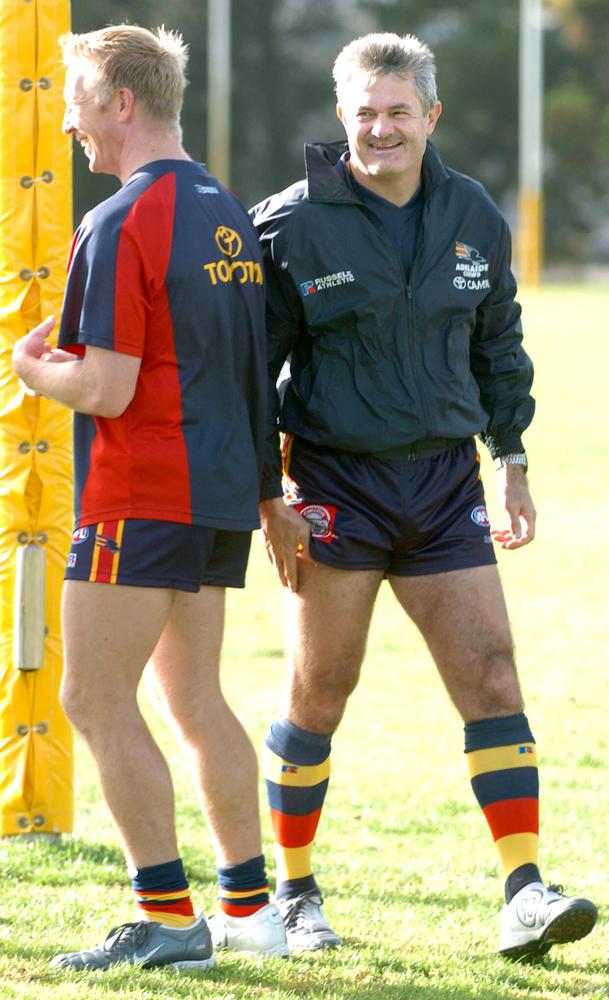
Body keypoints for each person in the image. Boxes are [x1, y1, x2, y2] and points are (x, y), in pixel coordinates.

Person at [251, 32, 597, 961]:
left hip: (447, 482)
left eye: (399, 110)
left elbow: (499, 343)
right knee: (321, 688)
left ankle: (525, 892)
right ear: (341, 117)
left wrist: (512, 456)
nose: (381, 128)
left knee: (491, 674)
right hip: (335, 484)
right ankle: (293, 895)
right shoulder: (287, 225)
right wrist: (266, 497)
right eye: (364, 111)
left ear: (430, 116)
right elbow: (252, 375)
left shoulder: (472, 213)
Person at [12, 24, 287, 971]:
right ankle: (252, 909)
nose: (70, 121)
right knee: (195, 697)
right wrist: (263, 496)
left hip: (141, 494)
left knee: (89, 697)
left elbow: (109, 387)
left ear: (121, 103)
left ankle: (167, 917)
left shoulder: (121, 218)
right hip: (212, 498)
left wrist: (31, 368)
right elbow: (253, 375)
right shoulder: (226, 211)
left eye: (77, 99)